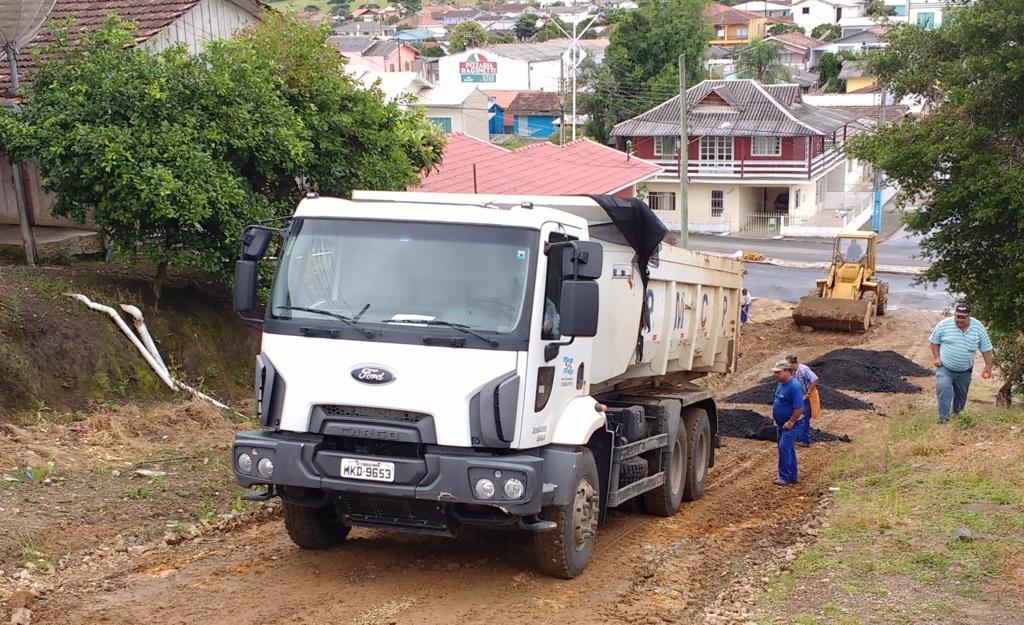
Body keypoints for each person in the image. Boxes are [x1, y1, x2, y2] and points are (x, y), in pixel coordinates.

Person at [928, 303, 993, 423]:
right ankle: (943, 420)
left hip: (965, 370)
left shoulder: (978, 327)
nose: (960, 320)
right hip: (945, 368)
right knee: (943, 388)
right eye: (958, 317)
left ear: (969, 316)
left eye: (963, 318)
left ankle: (957, 419)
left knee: (960, 398)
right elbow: (934, 341)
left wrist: (988, 365)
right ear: (954, 314)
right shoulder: (944, 325)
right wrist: (937, 358)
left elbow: (985, 348)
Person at [771, 359, 804, 486]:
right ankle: (792, 476)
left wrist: (790, 422)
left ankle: (784, 477)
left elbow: (799, 408)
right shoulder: (781, 384)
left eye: (778, 372)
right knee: (788, 448)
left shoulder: (794, 387)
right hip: (781, 424)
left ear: (787, 371)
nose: (775, 375)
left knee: (784, 447)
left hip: (792, 424)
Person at [786, 354, 819, 447]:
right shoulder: (792, 372)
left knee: (803, 417)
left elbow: (815, 379)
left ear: (792, 363)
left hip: (808, 397)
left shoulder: (804, 370)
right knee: (797, 416)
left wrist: (809, 392)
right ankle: (800, 437)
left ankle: (805, 440)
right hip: (800, 397)